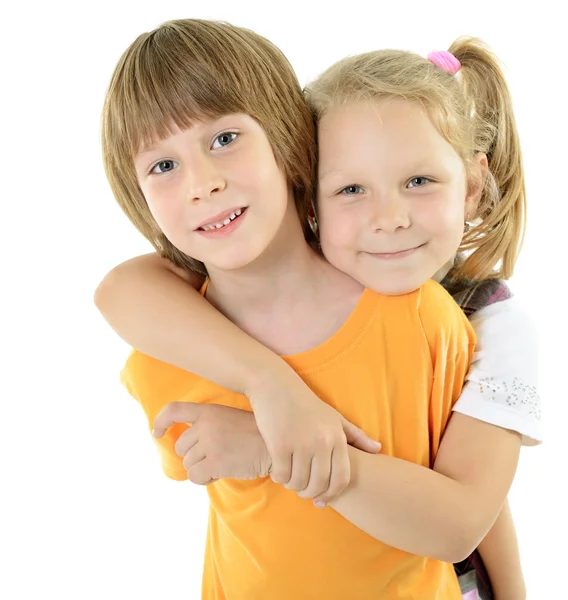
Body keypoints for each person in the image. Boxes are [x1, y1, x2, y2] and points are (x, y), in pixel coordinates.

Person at [97, 19, 539, 599]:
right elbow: (116, 289)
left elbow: (467, 513)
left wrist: (275, 448)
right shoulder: (169, 348)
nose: (201, 184)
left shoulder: (430, 319)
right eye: (162, 165)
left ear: (288, 142)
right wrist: (268, 383)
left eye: (225, 139)